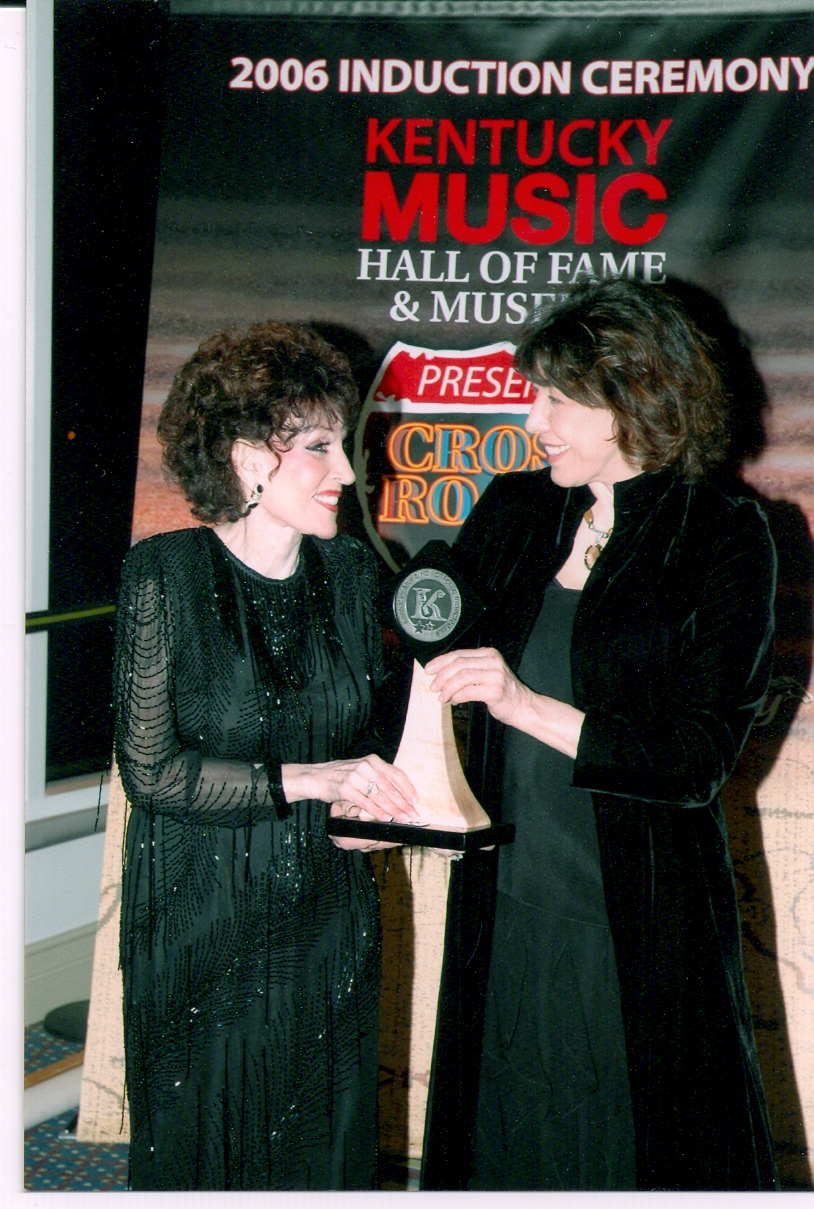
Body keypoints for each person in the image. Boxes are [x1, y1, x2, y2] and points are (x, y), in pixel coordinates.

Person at [426, 278, 779, 1191]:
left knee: (633, 1127)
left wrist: (520, 702)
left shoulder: (726, 533)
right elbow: (428, 645)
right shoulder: (515, 507)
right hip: (508, 879)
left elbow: (697, 756)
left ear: (634, 398)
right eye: (533, 391)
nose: (533, 416)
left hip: (631, 899)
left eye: (557, 397)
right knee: (503, 1110)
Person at [113, 322, 418, 1190]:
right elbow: (155, 772)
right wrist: (310, 780)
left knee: (324, 1142)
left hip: (326, 910)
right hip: (201, 916)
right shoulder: (162, 574)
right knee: (209, 1141)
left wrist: (381, 808)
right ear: (249, 458)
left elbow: (376, 741)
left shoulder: (354, 574)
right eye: (320, 447)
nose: (350, 473)